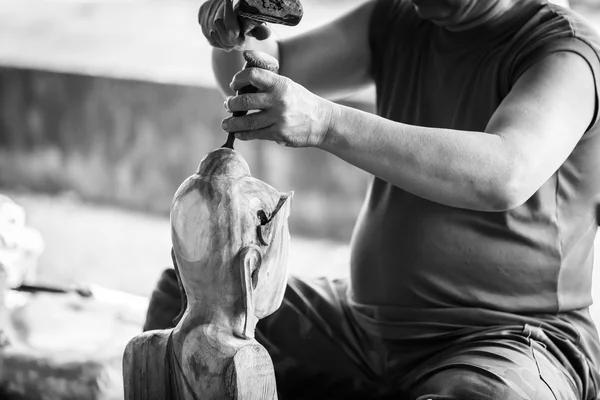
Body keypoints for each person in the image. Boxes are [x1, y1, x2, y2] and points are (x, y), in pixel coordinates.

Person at [145, 0, 600, 398]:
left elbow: (505, 173)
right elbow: (264, 71)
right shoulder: (400, 15)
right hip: (365, 326)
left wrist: (325, 123)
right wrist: (234, 33)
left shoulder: (566, 51)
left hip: (510, 337)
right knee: (185, 312)